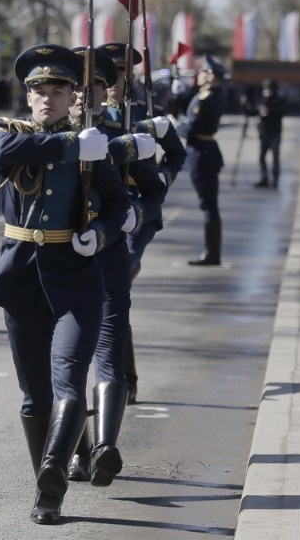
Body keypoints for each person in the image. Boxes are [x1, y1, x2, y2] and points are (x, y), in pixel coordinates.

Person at [0, 43, 128, 524]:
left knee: (69, 382)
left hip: (74, 279)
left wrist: (98, 234)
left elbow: (118, 206)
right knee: (34, 395)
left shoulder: (92, 145)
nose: (48, 97)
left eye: (58, 89)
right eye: (39, 90)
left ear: (72, 96)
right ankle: (46, 471)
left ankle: (51, 485)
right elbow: (3, 155)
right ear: (27, 97)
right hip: (22, 279)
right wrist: (70, 145)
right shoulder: (9, 132)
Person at [65, 47, 164, 485]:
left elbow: (152, 188)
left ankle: (104, 446)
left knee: (106, 354)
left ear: (107, 93)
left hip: (108, 260)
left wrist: (134, 218)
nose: (84, 96)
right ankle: (77, 452)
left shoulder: (123, 134)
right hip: (59, 266)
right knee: (67, 364)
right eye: (78, 88)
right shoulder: (44, 138)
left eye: (94, 87)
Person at [99, 42, 187, 404]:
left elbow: (177, 153)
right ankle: (124, 376)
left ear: (129, 75)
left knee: (117, 281)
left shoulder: (147, 112)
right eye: (107, 74)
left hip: (140, 211)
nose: (114, 81)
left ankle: (122, 379)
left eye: (120, 73)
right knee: (112, 295)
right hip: (109, 212)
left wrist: (163, 179)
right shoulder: (92, 114)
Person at [178, 55, 227, 266]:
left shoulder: (207, 99)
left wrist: (173, 127)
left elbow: (191, 128)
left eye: (202, 72)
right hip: (206, 150)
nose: (198, 76)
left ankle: (212, 253)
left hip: (201, 153)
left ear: (211, 76)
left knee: (208, 204)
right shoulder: (209, 95)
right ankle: (212, 252)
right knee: (209, 204)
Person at [243, 78, 286, 188]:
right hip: (263, 133)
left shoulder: (279, 100)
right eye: (266, 88)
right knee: (262, 157)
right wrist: (245, 104)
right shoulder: (262, 100)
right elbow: (252, 112)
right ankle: (264, 177)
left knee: (275, 157)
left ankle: (275, 180)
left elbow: (282, 111)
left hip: (275, 132)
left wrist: (270, 110)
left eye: (269, 88)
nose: (267, 91)